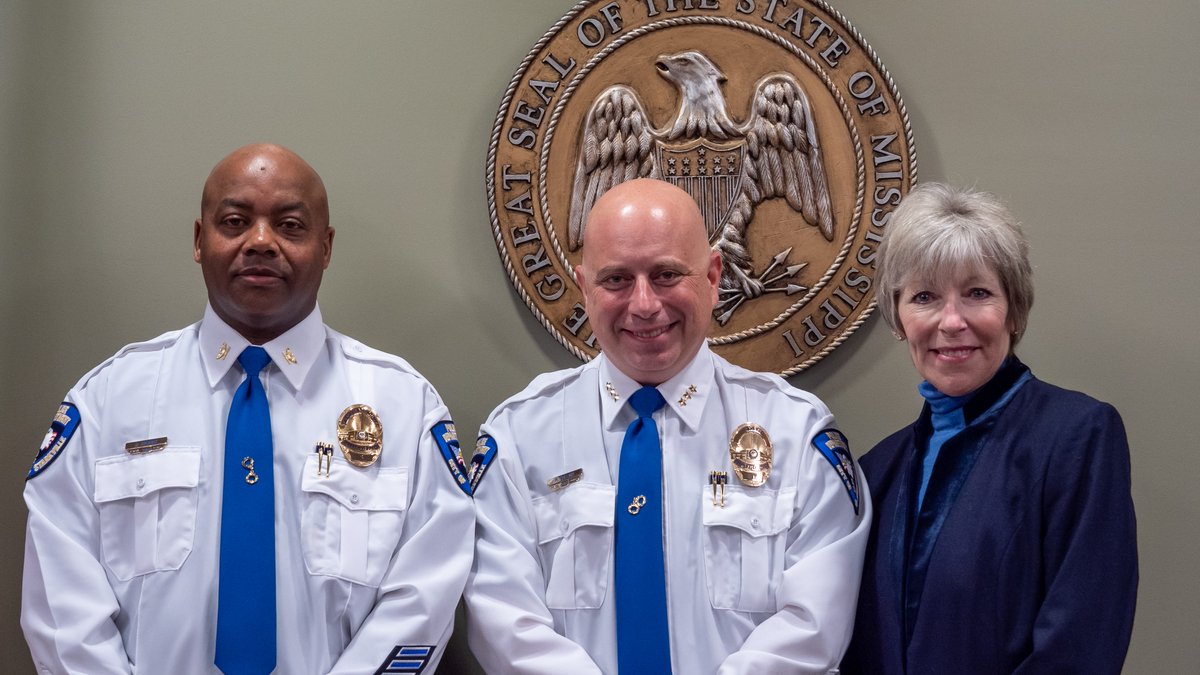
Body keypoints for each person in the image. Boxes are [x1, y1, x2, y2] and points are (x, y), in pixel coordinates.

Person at [21, 143, 474, 674]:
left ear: (326, 247)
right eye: (235, 221)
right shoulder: (107, 401)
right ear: (198, 240)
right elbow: (62, 608)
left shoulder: (404, 406)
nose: (260, 242)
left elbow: (423, 598)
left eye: (289, 225)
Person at [462, 178, 871, 674]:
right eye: (615, 279)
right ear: (584, 286)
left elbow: (812, 630)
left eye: (666, 274)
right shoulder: (518, 439)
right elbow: (507, 627)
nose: (644, 304)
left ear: (714, 276)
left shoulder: (797, 434)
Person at [841, 183, 1138, 674]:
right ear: (898, 317)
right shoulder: (877, 471)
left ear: (1014, 310)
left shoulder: (1077, 438)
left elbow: (1081, 643)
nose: (951, 321)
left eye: (977, 293)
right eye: (924, 296)